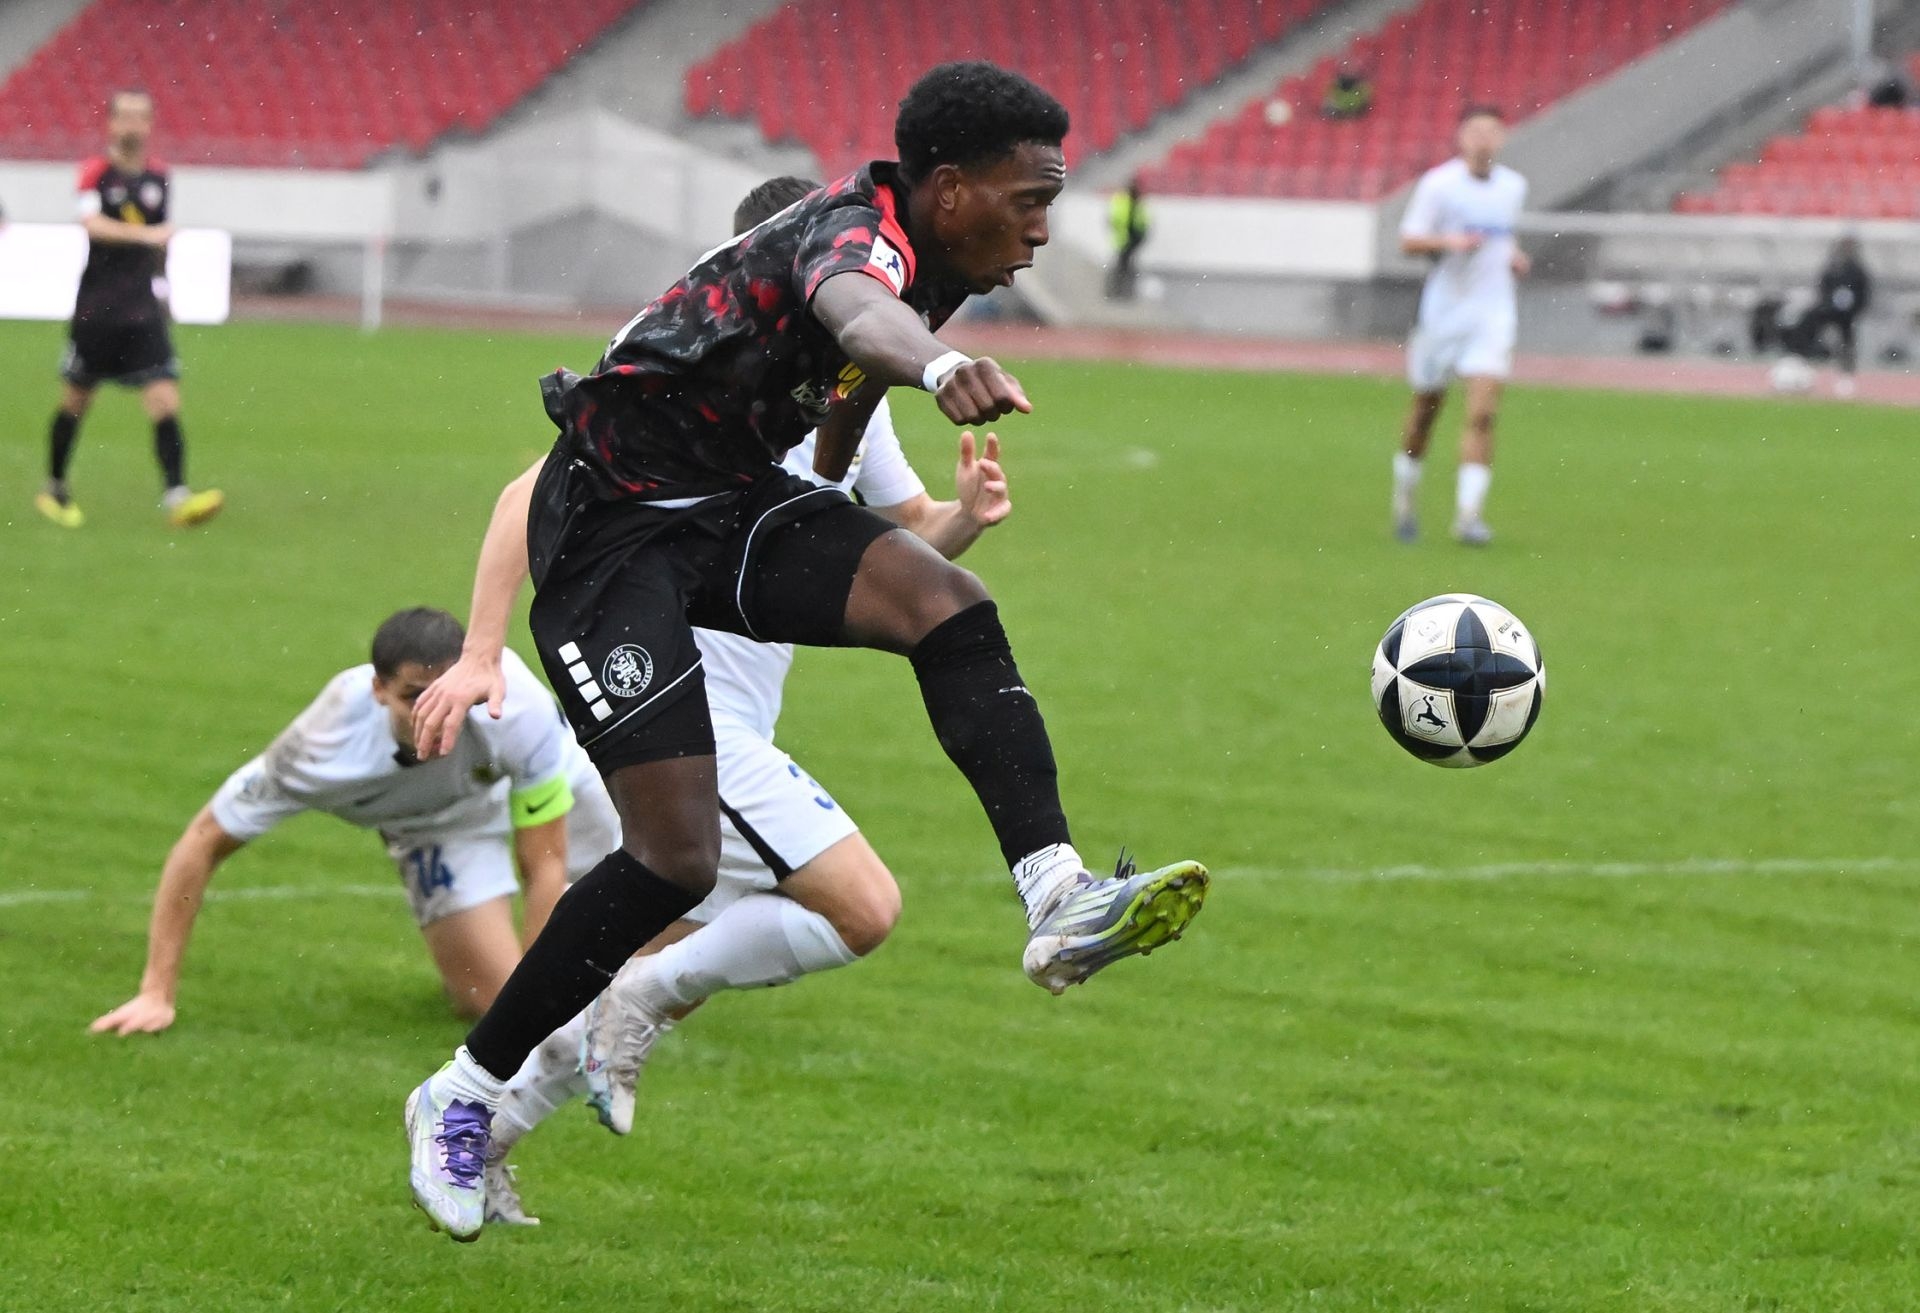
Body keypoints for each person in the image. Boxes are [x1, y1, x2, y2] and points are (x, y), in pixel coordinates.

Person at [401, 61, 1208, 1242]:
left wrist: (837, 470)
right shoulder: (856, 240)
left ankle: (1057, 893)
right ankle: (462, 1094)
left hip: (725, 504)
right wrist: (939, 366)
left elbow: (850, 371)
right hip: (608, 536)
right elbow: (859, 315)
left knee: (947, 601)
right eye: (1030, 198)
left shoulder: (941, 258)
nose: (1044, 228)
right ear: (948, 189)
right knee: (673, 861)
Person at [469, 174, 1026, 1227]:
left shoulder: (847, 384)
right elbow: (531, 494)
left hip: (734, 728)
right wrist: (477, 653)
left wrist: (965, 519)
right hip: (681, 717)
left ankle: (486, 1129)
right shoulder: (695, 376)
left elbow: (901, 536)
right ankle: (532, 1062)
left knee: (645, 951)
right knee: (859, 907)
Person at [89, 608, 618, 1035]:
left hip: (551, 774)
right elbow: (203, 840)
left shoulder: (516, 707)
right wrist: (156, 992)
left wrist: (541, 1006)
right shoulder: (319, 748)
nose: (437, 711)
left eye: (450, 692)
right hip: (435, 824)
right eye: (414, 696)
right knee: (493, 1003)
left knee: (645, 890)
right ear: (378, 689)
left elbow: (544, 866)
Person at [35, 90, 222, 531]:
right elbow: (92, 224)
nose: (133, 125)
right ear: (111, 124)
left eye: (141, 117)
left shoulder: (159, 177)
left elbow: (160, 239)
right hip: (97, 308)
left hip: (142, 308)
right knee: (76, 399)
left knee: (165, 398)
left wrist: (165, 287)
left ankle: (177, 496)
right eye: (125, 117)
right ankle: (55, 487)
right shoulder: (94, 173)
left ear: (150, 124)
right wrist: (146, 237)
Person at [1391, 104, 1530, 546]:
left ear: (1503, 138)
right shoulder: (1439, 185)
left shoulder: (1513, 186)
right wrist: (1449, 241)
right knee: (1425, 411)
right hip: (1443, 313)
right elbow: (1409, 240)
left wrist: (1513, 255)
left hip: (1492, 313)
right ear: (1461, 137)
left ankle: (1469, 516)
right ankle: (1405, 497)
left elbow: (1502, 235)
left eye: (1492, 131)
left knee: (1483, 413)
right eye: (1476, 131)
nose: (1484, 139)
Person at [1782, 236, 1872, 397]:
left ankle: (1846, 374)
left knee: (1847, 341)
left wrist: (1853, 307)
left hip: (1848, 314)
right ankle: (1800, 358)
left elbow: (1864, 293)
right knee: (1808, 323)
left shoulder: (1858, 271)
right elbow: (1823, 288)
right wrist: (1829, 303)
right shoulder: (1833, 268)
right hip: (1828, 309)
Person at [1105, 175, 1149, 299]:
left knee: (1126, 266)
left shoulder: (1138, 202)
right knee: (1122, 266)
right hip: (1124, 239)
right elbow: (1113, 219)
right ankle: (1116, 291)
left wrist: (1139, 236)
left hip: (1133, 239)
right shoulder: (1122, 200)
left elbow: (1143, 221)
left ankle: (1124, 292)